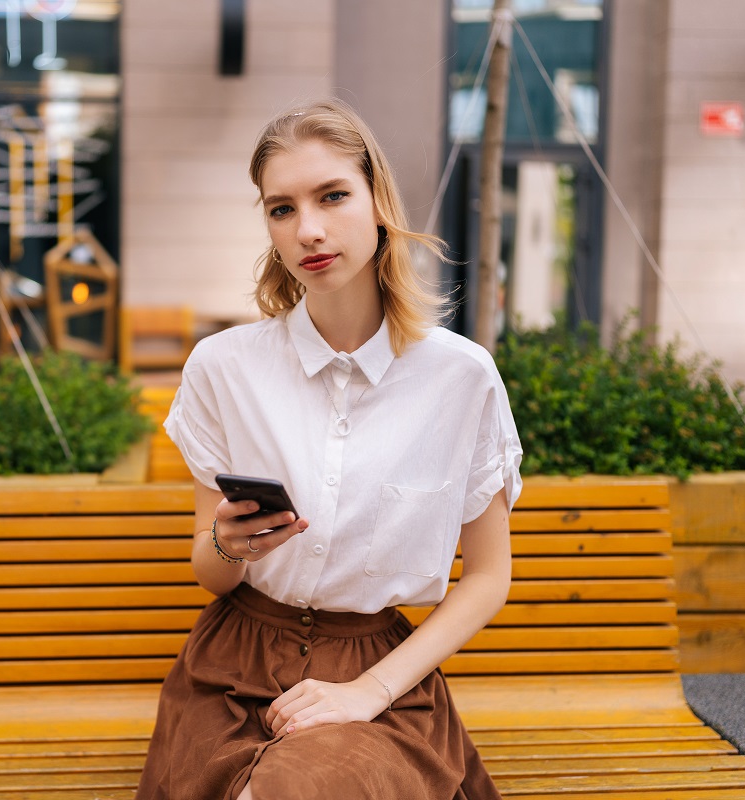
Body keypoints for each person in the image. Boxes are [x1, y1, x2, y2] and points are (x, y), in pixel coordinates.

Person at [134, 100, 523, 800]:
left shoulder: (461, 378)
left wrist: (368, 690)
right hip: (231, 670)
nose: (308, 229)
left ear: (378, 202)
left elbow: (489, 577)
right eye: (281, 209)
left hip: (378, 675)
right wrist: (226, 543)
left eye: (333, 196)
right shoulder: (223, 367)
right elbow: (211, 572)